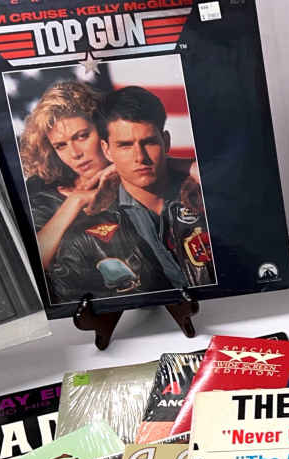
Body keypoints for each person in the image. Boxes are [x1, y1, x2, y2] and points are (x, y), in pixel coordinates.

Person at [48, 87, 198, 302]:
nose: (140, 157)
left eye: (149, 142)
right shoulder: (86, 238)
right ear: (107, 150)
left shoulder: (207, 198)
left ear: (165, 141)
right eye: (125, 145)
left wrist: (187, 166)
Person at [16, 81, 120, 271]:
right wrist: (76, 201)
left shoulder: (136, 176)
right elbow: (31, 265)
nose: (75, 153)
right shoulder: (41, 191)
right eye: (61, 146)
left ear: (103, 129)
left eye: (82, 136)